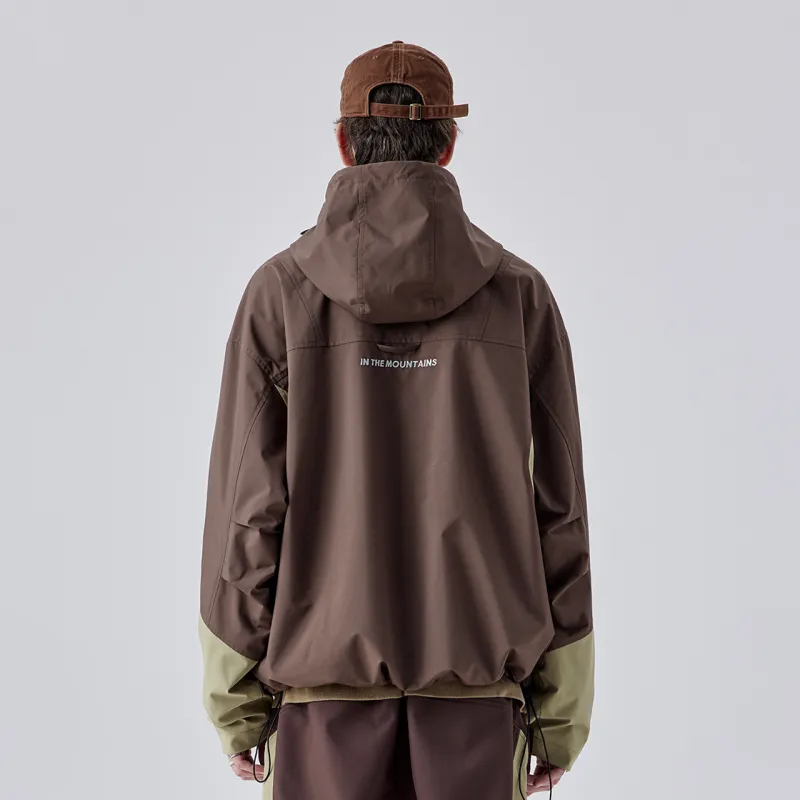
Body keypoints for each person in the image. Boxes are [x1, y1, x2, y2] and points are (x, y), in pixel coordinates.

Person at [198, 40, 594, 799]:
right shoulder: (520, 298)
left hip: (319, 716)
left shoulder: (278, 296)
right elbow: (560, 514)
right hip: (481, 712)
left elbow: (245, 514)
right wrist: (560, 715)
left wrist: (235, 702)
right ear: (447, 148)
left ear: (345, 144)